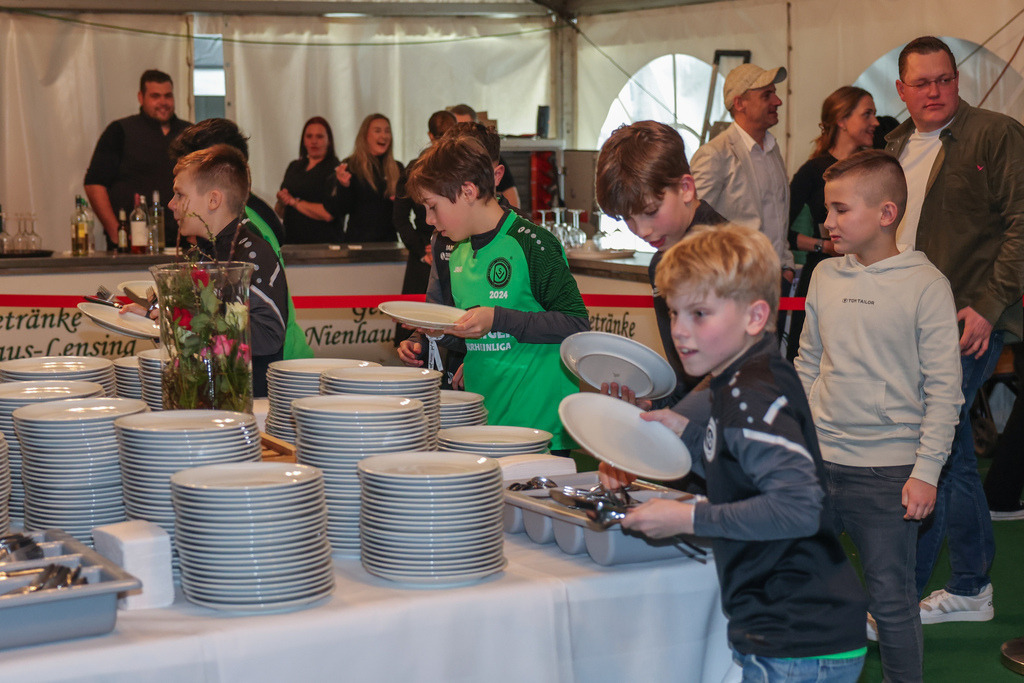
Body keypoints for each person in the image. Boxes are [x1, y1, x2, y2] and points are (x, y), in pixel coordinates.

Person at [601, 223, 868, 682]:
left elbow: (797, 508)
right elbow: (743, 463)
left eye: (699, 314)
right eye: (673, 313)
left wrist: (686, 519)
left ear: (754, 316)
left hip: (795, 638)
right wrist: (684, 432)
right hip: (795, 630)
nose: (680, 331)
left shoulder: (749, 392)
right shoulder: (747, 373)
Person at [794, 150, 962, 682]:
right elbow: (807, 363)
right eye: (828, 209)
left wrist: (925, 472)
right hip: (818, 462)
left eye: (841, 210)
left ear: (886, 214)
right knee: (804, 585)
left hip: (888, 473)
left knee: (891, 599)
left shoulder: (926, 285)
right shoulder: (822, 275)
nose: (827, 222)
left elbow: (945, 390)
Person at [885, 35, 1024, 622]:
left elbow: (1022, 224)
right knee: (953, 453)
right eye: (922, 82)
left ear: (957, 81)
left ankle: (912, 595)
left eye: (945, 79)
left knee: (934, 449)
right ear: (902, 90)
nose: (936, 91)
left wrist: (989, 306)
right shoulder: (892, 145)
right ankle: (969, 588)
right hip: (905, 322)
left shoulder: (994, 133)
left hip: (967, 321)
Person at [404, 135, 588, 453]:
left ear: (468, 192)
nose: (428, 220)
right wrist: (434, 335)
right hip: (482, 424)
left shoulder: (532, 243)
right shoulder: (457, 252)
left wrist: (498, 317)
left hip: (539, 430)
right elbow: (477, 338)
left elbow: (577, 326)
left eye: (432, 207)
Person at [594, 120, 725, 408]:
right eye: (628, 219)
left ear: (686, 188)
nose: (642, 231)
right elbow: (686, 373)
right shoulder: (661, 262)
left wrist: (681, 417)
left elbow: (734, 371)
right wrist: (655, 406)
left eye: (650, 211)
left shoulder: (727, 257)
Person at [168, 118, 313, 361]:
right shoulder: (214, 234)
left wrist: (191, 320)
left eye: (198, 164)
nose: (172, 203)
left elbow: (264, 330)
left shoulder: (250, 231)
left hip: (280, 371)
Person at [397, 122, 520, 390]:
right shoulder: (443, 238)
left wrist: (482, 356)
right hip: (455, 378)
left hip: (509, 381)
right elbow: (437, 307)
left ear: (494, 176)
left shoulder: (523, 238)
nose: (431, 219)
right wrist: (421, 336)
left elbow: (555, 323)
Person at [168, 145, 289, 397]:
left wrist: (188, 319)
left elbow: (268, 336)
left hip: (250, 406)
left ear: (213, 200)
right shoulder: (204, 252)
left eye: (179, 194)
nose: (171, 204)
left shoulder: (253, 256)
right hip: (214, 398)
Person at [785, 86, 878, 360]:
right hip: (824, 275)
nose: (875, 122)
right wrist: (823, 246)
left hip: (868, 278)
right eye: (867, 114)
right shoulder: (813, 170)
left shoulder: (875, 166)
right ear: (841, 120)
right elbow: (780, 232)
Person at [690, 64, 796, 283]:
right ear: (739, 103)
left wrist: (785, 263)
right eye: (767, 95)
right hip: (733, 282)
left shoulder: (772, 149)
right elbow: (693, 224)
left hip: (773, 279)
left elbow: (776, 217)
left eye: (775, 94)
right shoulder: (714, 154)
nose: (778, 101)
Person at [84, 69, 191, 249]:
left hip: (184, 245)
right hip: (133, 246)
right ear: (141, 97)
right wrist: (116, 233)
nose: (163, 102)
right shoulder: (120, 131)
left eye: (168, 96)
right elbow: (94, 184)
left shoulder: (190, 133)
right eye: (155, 96)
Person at [392, 110, 457, 345]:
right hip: (423, 253)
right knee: (414, 328)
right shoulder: (414, 169)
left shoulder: (462, 171)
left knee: (455, 321)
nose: (443, 142)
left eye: (449, 136)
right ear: (430, 136)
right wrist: (422, 251)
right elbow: (399, 218)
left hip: (457, 248)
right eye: (439, 136)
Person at [329, 114, 404, 243]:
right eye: (377, 131)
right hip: (358, 243)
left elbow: (403, 212)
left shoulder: (397, 168)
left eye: (387, 131)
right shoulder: (350, 165)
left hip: (389, 243)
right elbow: (341, 210)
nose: (383, 136)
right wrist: (343, 186)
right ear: (365, 136)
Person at [276, 116, 342, 244]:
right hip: (292, 241)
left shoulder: (335, 169)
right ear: (303, 140)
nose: (314, 141)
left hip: (322, 243)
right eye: (309, 136)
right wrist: (282, 201)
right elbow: (280, 212)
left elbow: (328, 214)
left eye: (319, 137)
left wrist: (294, 202)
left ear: (329, 141)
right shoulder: (294, 166)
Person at [448, 104, 521, 208]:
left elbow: (513, 202)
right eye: (457, 127)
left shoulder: (491, 160)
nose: (461, 135)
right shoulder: (444, 163)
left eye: (467, 127)